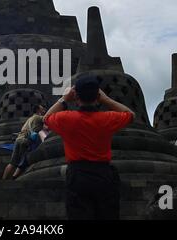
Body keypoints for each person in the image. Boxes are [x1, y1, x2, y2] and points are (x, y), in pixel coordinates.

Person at [43, 75, 135, 220]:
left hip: (78, 176)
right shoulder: (107, 118)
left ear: (76, 96)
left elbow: (46, 118)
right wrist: (107, 100)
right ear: (97, 96)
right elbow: (130, 115)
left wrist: (64, 99)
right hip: (104, 176)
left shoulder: (66, 119)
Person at [2, 105, 46, 180]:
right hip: (26, 141)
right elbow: (48, 118)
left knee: (12, 162)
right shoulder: (38, 117)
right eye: (42, 109)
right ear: (38, 110)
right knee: (24, 161)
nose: (44, 110)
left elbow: (22, 129)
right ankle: (16, 177)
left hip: (19, 139)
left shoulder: (29, 119)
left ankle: (4, 179)